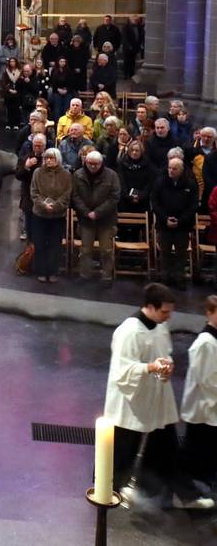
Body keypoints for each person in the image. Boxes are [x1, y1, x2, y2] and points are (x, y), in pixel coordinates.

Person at [103, 284, 213, 509]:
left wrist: (166, 365)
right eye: (164, 311)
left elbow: (165, 354)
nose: (169, 316)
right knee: (122, 450)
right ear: (150, 307)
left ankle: (185, 496)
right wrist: (151, 367)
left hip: (155, 398)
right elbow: (121, 371)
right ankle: (107, 490)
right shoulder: (129, 331)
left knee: (167, 449)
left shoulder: (161, 326)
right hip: (131, 402)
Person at [181, 295, 217, 492]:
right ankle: (193, 485)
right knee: (199, 446)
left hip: (210, 404)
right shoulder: (205, 342)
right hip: (203, 405)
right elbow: (207, 379)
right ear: (209, 313)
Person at [71, 150, 121, 286]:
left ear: (101, 163)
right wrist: (86, 212)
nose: (93, 166)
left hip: (106, 219)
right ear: (85, 162)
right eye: (90, 163)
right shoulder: (78, 175)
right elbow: (75, 196)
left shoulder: (112, 175)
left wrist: (97, 212)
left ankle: (106, 277)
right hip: (86, 219)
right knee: (85, 250)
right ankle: (85, 274)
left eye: (96, 164)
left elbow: (114, 197)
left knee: (106, 250)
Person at [151, 157, 198, 291]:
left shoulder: (190, 184)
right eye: (169, 168)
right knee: (164, 252)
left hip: (182, 226)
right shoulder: (160, 182)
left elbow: (193, 206)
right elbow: (155, 202)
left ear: (181, 170)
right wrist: (165, 218)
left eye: (174, 169)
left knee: (181, 253)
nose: (171, 171)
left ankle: (179, 278)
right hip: (164, 223)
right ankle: (165, 277)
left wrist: (180, 220)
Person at [30, 147, 72, 283]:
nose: (48, 160)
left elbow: (67, 194)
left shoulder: (66, 175)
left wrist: (56, 206)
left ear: (58, 159)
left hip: (57, 216)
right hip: (40, 215)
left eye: (51, 158)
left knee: (55, 245)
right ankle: (41, 271)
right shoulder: (37, 172)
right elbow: (34, 192)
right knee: (40, 243)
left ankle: (53, 271)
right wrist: (43, 205)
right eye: (46, 158)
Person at [2, 57, 22, 130]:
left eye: (13, 61)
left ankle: (16, 124)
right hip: (9, 93)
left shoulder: (20, 71)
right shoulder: (6, 72)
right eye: (11, 61)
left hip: (17, 92)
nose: (12, 63)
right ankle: (9, 123)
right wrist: (9, 89)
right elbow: (4, 82)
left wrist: (17, 90)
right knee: (9, 109)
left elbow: (21, 82)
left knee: (16, 109)